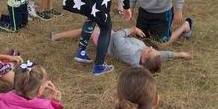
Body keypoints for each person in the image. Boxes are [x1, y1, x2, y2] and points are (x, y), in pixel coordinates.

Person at [50, 26, 191, 73]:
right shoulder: (146, 56)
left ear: (143, 60)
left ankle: (56, 36)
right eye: (152, 49)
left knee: (88, 28)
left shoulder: (130, 53)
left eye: (150, 51)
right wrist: (180, 54)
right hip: (113, 36)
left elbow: (117, 37)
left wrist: (132, 29)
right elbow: (162, 54)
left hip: (105, 40)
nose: (151, 47)